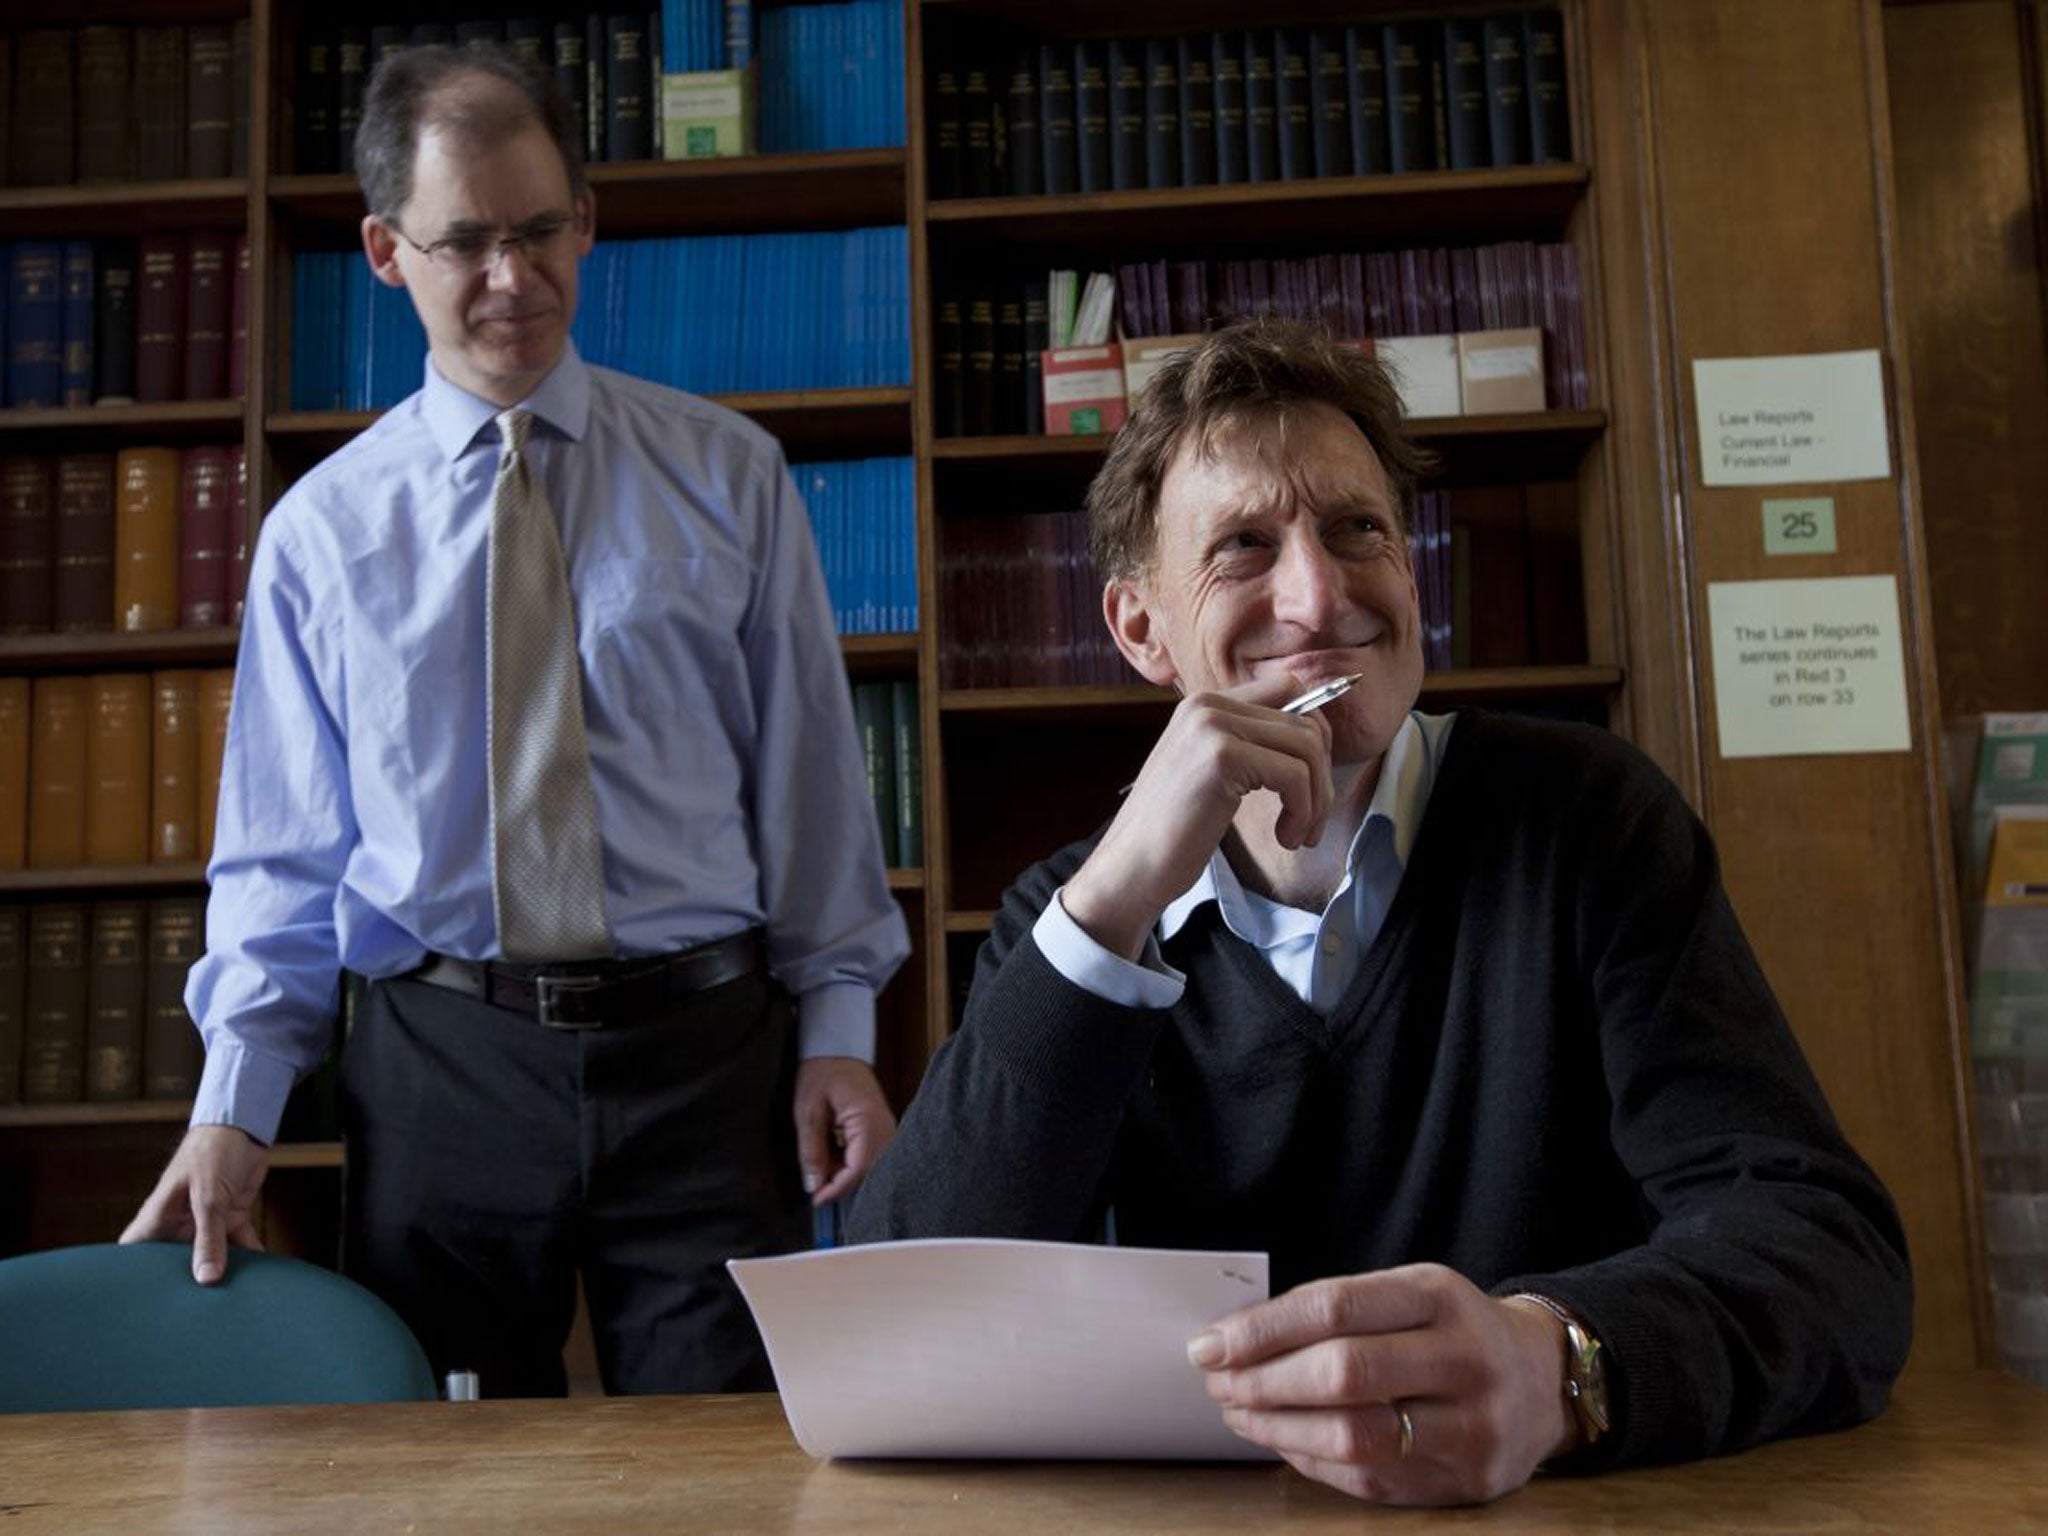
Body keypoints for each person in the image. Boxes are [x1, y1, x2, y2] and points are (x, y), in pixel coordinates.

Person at [847, 317, 1911, 1504]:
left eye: (1357, 530)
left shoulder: (1585, 822)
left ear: (1410, 573)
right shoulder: (1066, 916)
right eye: (1243, 547)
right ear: (1140, 630)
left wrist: (1559, 1367)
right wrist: (1114, 895)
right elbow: (893, 1323)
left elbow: (1829, 1255)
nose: (1320, 597)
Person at [121, 42, 909, 1397]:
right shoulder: (319, 535)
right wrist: (233, 1110)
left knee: (734, 1462)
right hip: (443, 1064)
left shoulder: (731, 476)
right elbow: (282, 860)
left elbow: (813, 787)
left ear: (586, 221)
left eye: (541, 231)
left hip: (706, 1057)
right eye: (467, 243)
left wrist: (838, 1032)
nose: (513, 278)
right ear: (386, 251)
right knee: (449, 1470)